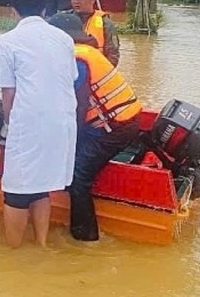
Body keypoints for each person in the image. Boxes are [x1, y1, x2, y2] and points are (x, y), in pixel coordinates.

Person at [0, 0, 78, 248]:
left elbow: (8, 92)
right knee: (41, 184)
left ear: (14, 10)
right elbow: (69, 79)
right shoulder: (64, 39)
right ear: (44, 9)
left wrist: (8, 124)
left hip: (31, 122)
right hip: (63, 121)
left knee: (16, 189)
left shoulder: (7, 42)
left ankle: (14, 254)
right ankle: (41, 246)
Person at [48, 13, 143, 242]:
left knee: (77, 176)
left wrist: (69, 140)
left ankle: (85, 239)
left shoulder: (78, 58)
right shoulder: (88, 52)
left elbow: (79, 105)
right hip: (126, 118)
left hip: (114, 127)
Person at [65, 0, 120, 66]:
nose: (76, 1)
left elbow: (113, 55)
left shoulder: (105, 23)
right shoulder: (64, 20)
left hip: (96, 71)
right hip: (69, 71)